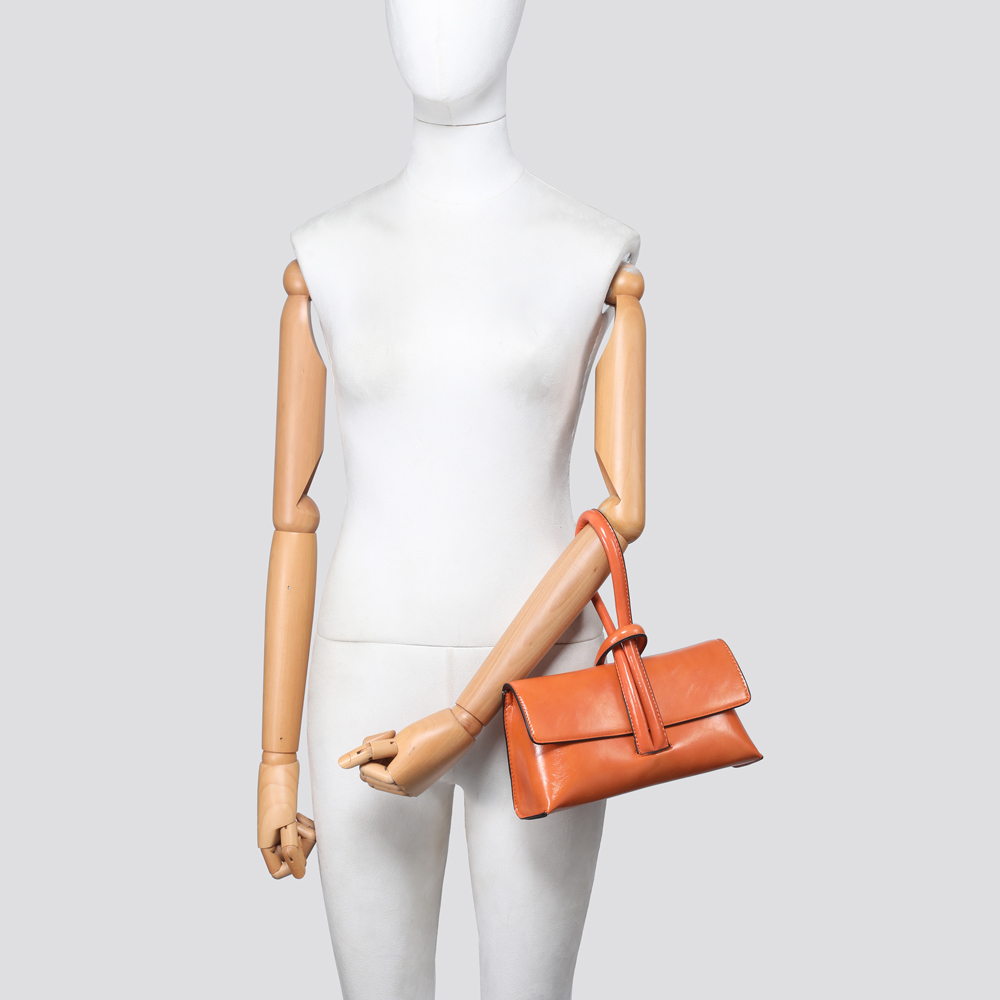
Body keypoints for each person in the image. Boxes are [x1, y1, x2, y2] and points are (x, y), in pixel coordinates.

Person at [257, 3, 647, 997]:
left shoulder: (593, 254)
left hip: (546, 682)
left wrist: (469, 711)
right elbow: (292, 516)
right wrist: (275, 759)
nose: (437, 19)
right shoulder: (325, 256)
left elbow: (622, 512)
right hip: (366, 676)